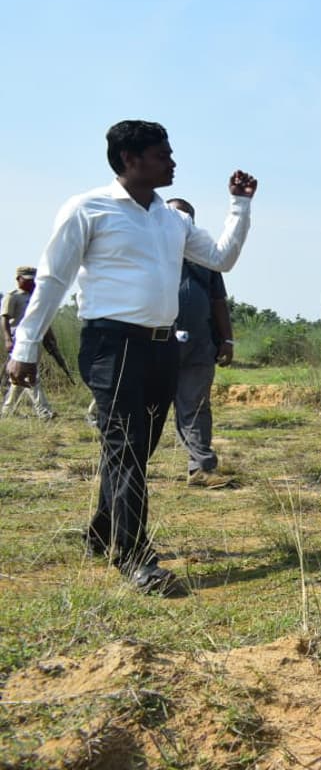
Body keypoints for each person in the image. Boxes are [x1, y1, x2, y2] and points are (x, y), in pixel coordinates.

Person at [6, 119, 258, 594]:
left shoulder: (172, 219)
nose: (173, 162)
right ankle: (135, 556)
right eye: (163, 154)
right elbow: (54, 280)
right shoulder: (88, 208)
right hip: (111, 345)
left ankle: (103, 530)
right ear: (129, 159)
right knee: (126, 445)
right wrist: (26, 346)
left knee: (134, 449)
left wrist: (239, 206)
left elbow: (222, 258)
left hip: (164, 346)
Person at [167, 198, 235, 488]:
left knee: (195, 406)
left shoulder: (207, 256)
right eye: (174, 214)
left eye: (187, 216)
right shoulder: (149, 251)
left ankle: (202, 468)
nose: (181, 220)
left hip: (199, 345)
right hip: (153, 344)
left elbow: (218, 301)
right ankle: (127, 465)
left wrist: (226, 339)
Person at [2, 266, 56, 419]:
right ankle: (44, 411)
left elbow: (43, 319)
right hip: (19, 341)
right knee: (31, 376)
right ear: (18, 279)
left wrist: (50, 338)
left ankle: (7, 410)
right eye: (27, 280)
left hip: (35, 339)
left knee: (20, 377)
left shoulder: (36, 297)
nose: (30, 283)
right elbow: (5, 319)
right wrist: (7, 339)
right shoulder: (13, 296)